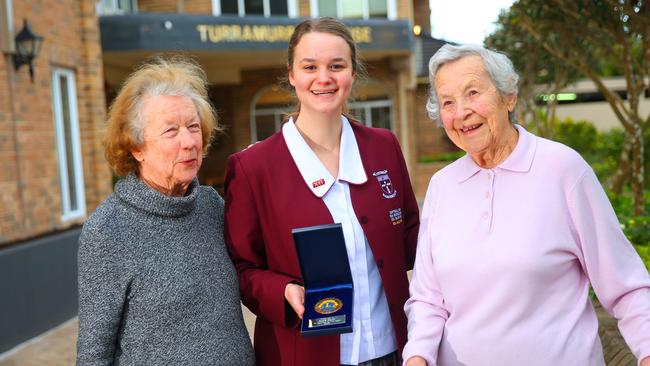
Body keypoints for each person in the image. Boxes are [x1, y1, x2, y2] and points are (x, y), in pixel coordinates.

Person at [402, 44, 650, 366]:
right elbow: (428, 299)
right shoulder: (442, 186)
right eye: (448, 102)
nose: (461, 111)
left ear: (509, 97)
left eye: (473, 92)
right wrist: (417, 356)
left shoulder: (562, 169)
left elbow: (626, 286)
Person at [224, 18, 419, 366]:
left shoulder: (384, 147)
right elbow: (242, 268)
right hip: (305, 355)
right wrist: (281, 291)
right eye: (310, 66)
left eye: (336, 66)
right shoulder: (252, 167)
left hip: (393, 351)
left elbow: (411, 239)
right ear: (292, 74)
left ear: (352, 74)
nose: (324, 78)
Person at [76, 56, 255, 366]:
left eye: (194, 127)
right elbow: (94, 353)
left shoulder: (212, 206)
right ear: (136, 147)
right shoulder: (107, 231)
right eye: (171, 131)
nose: (188, 142)